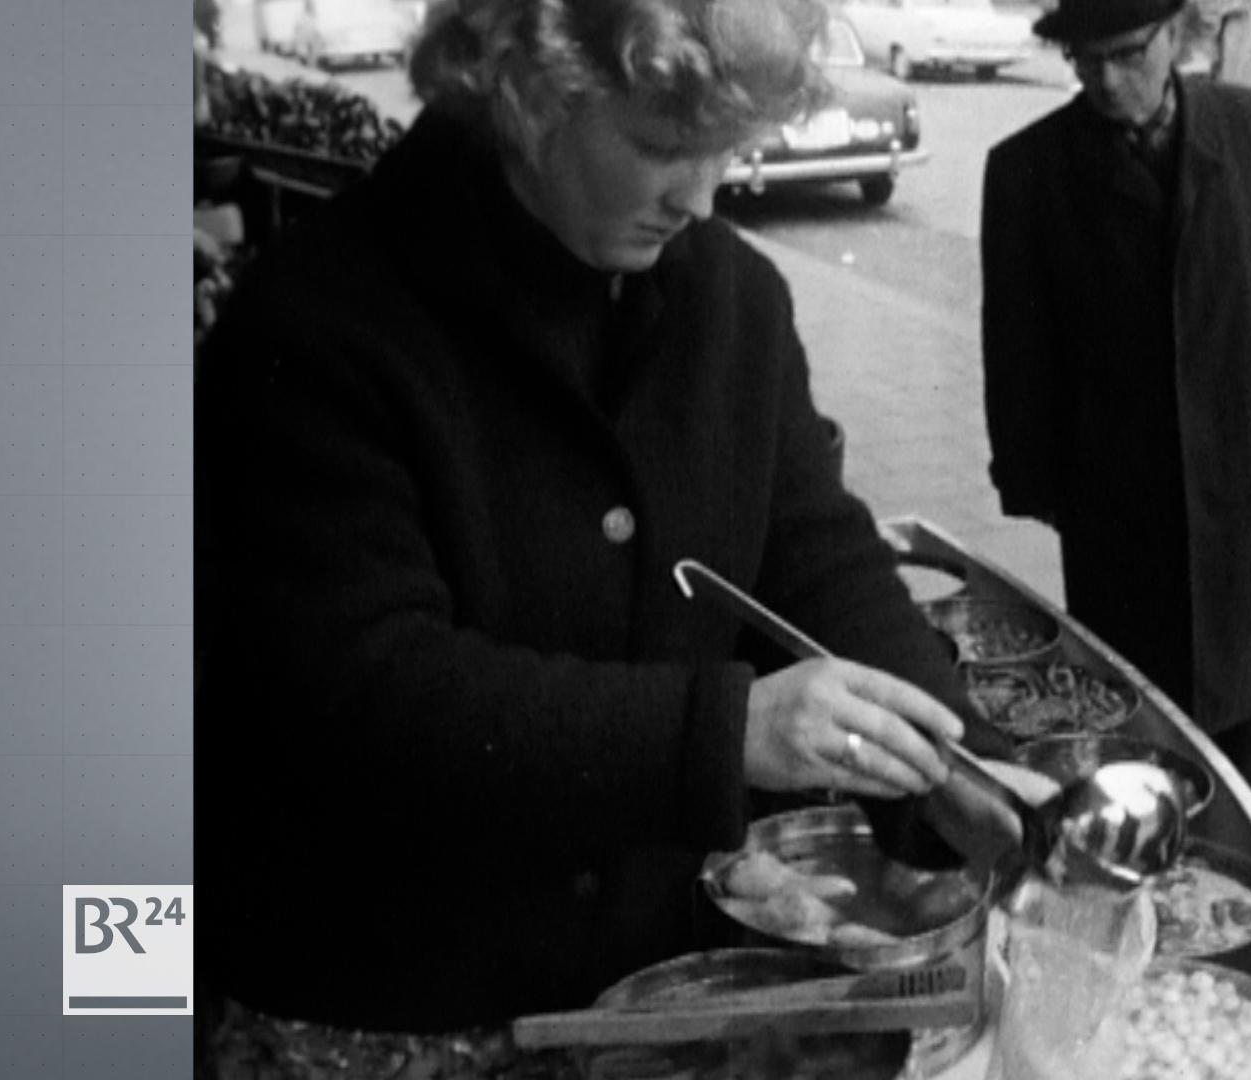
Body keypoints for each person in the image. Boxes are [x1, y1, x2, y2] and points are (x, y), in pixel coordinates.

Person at [196, 0, 1019, 1035]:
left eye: (728, 150)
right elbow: (363, 690)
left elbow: (814, 551)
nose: (704, 198)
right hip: (378, 1006)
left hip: (641, 987)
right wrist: (723, 736)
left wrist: (951, 759)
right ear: (534, 96)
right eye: (665, 147)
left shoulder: (735, 301)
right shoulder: (320, 319)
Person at [979, 0, 1251, 810]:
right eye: (1085, 60)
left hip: (1243, 494)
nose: (1106, 79)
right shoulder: (1028, 170)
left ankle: (1245, 878)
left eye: (1129, 53)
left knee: (1242, 743)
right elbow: (1016, 350)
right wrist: (1042, 487)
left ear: (1178, 33)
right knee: (1132, 730)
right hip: (1117, 513)